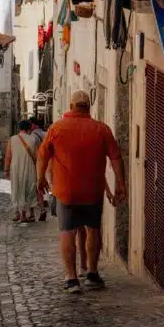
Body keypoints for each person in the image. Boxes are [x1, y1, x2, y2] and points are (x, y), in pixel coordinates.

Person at [37, 90, 126, 293]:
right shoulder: (101, 129)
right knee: (93, 230)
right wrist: (121, 184)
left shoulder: (57, 128)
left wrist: (40, 178)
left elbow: (42, 155)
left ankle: (71, 277)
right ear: (89, 107)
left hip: (65, 191)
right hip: (92, 191)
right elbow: (116, 157)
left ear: (71, 106)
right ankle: (92, 274)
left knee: (67, 232)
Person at [5, 119, 39, 224]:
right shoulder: (34, 139)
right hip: (30, 167)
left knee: (17, 188)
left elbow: (8, 156)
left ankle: (18, 213)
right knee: (30, 188)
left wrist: (6, 169)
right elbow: (37, 156)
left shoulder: (13, 139)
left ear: (19, 128)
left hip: (16, 168)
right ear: (30, 128)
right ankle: (31, 214)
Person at [29, 117, 48, 221]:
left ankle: (39, 210)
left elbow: (34, 152)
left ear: (35, 125)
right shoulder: (46, 134)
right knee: (44, 184)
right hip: (48, 163)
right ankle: (44, 203)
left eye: (31, 124)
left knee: (36, 187)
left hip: (38, 163)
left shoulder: (33, 136)